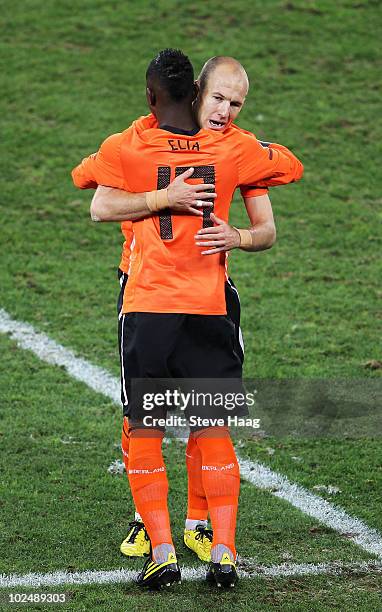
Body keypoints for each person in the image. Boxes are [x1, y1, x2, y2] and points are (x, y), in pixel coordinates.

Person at [72, 48, 303, 589]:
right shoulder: (231, 150)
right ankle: (170, 529)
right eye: (218, 98)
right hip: (164, 290)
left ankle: (189, 530)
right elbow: (289, 163)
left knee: (157, 419)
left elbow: (89, 186)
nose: (225, 109)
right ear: (196, 94)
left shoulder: (142, 142)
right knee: (188, 418)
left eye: (236, 103)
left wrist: (238, 234)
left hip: (173, 297)